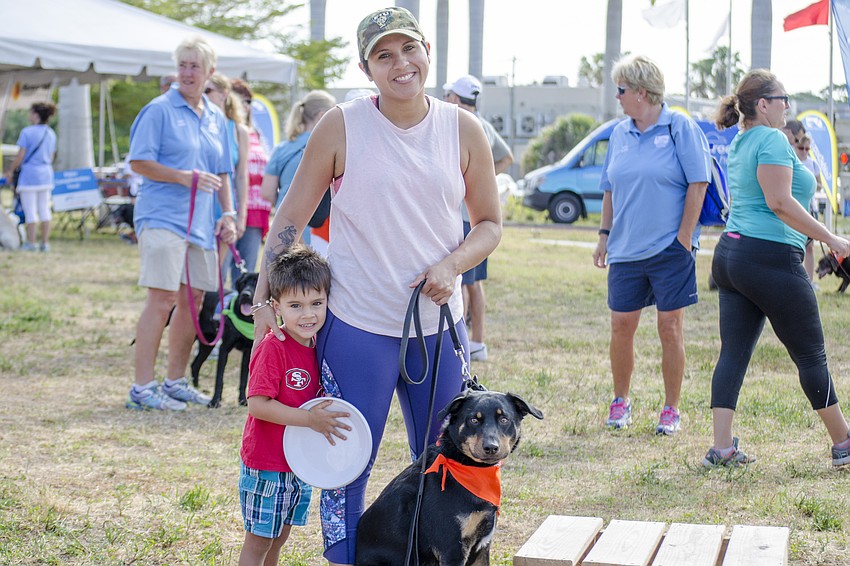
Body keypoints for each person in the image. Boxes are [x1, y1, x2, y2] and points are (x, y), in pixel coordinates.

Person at [250, 7, 502, 564]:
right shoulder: (341, 125)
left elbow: (489, 224)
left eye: (408, 50)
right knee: (344, 463)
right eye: (383, 55)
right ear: (367, 68)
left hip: (438, 329)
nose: (400, 64)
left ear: (427, 53)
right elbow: (290, 218)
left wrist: (452, 264)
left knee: (447, 462)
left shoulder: (463, 129)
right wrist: (263, 297)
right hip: (358, 327)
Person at [704, 69, 850, 468]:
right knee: (811, 356)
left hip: (732, 256)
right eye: (783, 98)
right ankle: (844, 443)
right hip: (767, 258)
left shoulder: (743, 139)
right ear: (763, 104)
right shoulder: (769, 138)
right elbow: (780, 203)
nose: (789, 105)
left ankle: (722, 449)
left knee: (733, 352)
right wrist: (834, 240)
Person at [592, 54, 711, 435]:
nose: (618, 97)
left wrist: (683, 239)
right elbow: (610, 188)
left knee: (670, 328)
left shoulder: (680, 126)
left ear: (643, 92)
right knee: (621, 325)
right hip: (625, 250)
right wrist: (604, 236)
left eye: (622, 90)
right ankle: (620, 400)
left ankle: (671, 408)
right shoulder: (619, 133)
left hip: (669, 250)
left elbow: (699, 182)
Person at [125, 36, 237, 411]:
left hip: (203, 223)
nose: (188, 72)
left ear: (210, 72)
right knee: (162, 299)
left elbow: (222, 172)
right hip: (162, 216)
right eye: (183, 65)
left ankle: (175, 381)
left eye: (195, 66)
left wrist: (230, 214)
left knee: (196, 299)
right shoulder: (158, 110)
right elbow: (138, 163)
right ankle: (142, 388)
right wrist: (183, 177)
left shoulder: (216, 117)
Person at [238, 244, 351, 566]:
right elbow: (257, 404)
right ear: (276, 307)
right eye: (295, 305)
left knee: (280, 537)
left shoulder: (318, 344)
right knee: (259, 542)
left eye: (317, 303)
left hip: (298, 463)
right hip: (267, 463)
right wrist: (309, 420)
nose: (308, 314)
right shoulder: (275, 347)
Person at [443, 74, 513, 362]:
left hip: (462, 215)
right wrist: (484, 177)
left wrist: (474, 178)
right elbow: (507, 156)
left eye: (449, 95)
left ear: (456, 99)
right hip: (481, 216)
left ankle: (464, 343)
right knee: (475, 281)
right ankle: (478, 341)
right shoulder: (482, 123)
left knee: (460, 279)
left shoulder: (456, 125)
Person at [261, 90, 336, 247]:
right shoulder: (329, 147)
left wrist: (285, 203)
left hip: (284, 228)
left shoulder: (282, 148)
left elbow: (267, 191)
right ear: (322, 116)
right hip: (317, 227)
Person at [205, 73, 249, 266]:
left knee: (215, 274)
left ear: (223, 94)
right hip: (198, 204)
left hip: (224, 207)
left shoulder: (238, 130)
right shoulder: (199, 125)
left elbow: (241, 176)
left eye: (207, 90)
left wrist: (240, 216)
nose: (202, 94)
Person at [230, 78, 271, 278]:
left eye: (248, 101)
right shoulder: (227, 131)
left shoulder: (255, 132)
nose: (245, 106)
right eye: (240, 101)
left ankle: (241, 309)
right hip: (231, 205)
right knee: (218, 272)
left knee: (246, 271)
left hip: (255, 208)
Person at [5, 102, 57, 252]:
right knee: (45, 209)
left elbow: (20, 155)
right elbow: (51, 156)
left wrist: (10, 171)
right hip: (46, 174)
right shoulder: (50, 133)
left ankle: (31, 242)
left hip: (29, 175)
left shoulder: (27, 132)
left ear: (36, 115)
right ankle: (45, 243)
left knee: (30, 210)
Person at [780, 120, 819, 284]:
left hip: (808, 208)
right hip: (791, 211)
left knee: (807, 246)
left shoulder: (812, 164)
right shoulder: (785, 156)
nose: (803, 150)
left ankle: (806, 281)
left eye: (807, 148)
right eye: (798, 144)